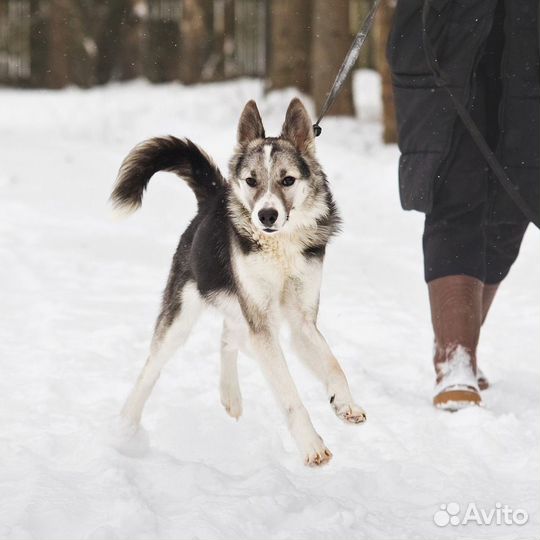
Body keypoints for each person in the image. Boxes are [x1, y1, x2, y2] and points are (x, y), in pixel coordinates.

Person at [387, 0, 539, 409]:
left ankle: (463, 339)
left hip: (530, 41)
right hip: (445, 35)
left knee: (517, 197)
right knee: (454, 186)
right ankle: (455, 358)